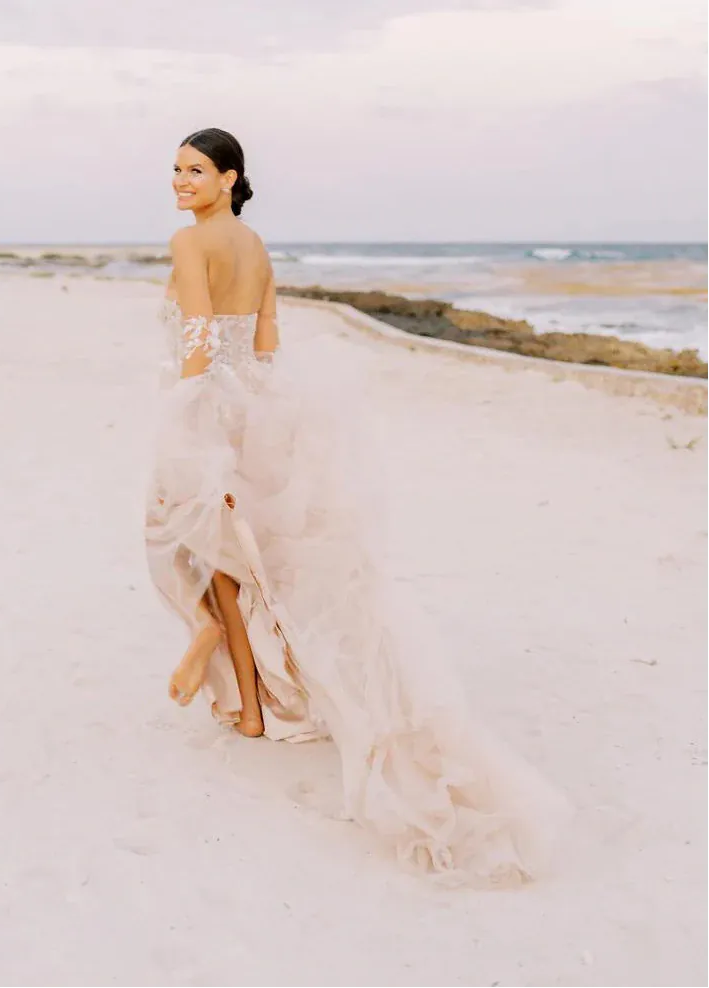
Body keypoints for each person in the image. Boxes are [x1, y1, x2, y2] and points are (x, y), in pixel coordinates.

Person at [145, 127, 569, 886]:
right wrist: (262, 412)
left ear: (229, 177)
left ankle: (237, 684)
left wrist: (190, 417)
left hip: (210, 403)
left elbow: (202, 338)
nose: (179, 181)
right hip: (263, 404)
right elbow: (266, 338)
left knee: (197, 542)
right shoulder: (257, 245)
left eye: (195, 169)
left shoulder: (189, 241)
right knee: (240, 554)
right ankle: (243, 691)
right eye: (175, 169)